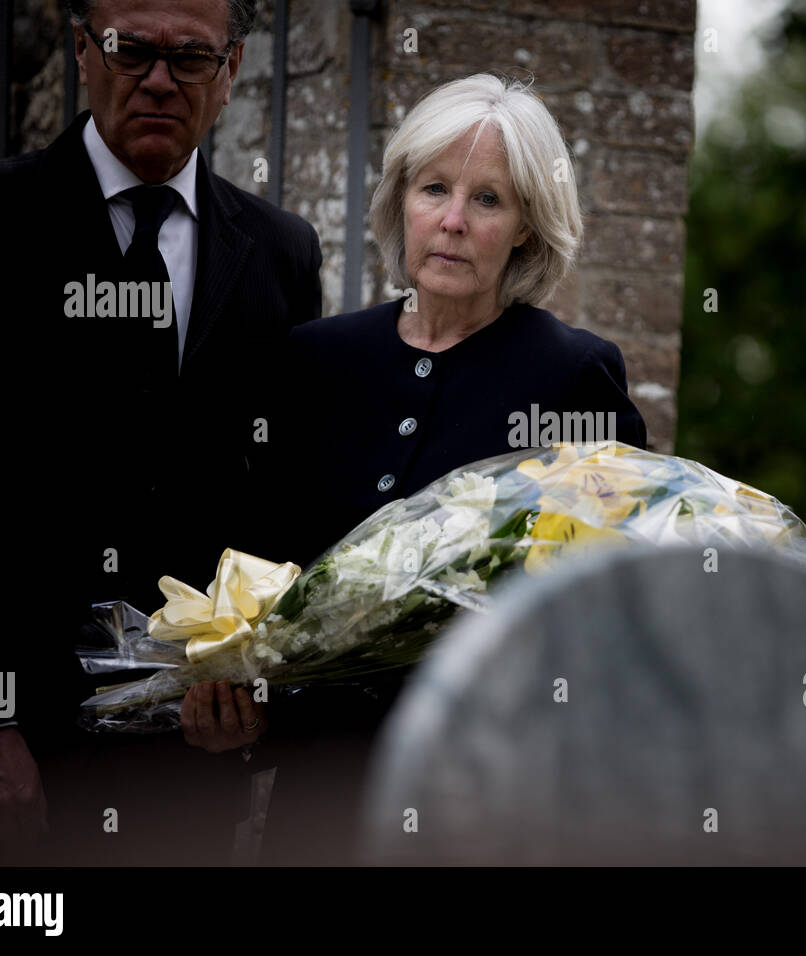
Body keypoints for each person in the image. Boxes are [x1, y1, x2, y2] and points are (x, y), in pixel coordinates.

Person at [0, 0, 322, 865]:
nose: (160, 81)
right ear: (80, 49)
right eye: (129, 50)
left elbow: (278, 504)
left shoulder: (285, 254)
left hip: (183, 776)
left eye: (192, 59)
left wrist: (251, 683)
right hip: (2, 770)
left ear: (235, 67)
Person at [229, 73, 647, 863]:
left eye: (488, 200)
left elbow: (606, 609)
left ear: (526, 226)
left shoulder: (573, 375)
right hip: (322, 798)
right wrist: (233, 685)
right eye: (434, 189)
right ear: (401, 203)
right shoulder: (317, 361)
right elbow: (256, 563)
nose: (453, 222)